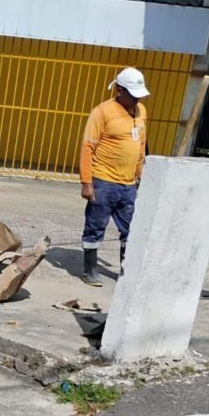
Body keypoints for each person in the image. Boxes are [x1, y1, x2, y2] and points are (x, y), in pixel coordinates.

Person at [78, 67, 149, 286]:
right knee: (95, 226)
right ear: (120, 90)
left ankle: (126, 273)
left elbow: (141, 145)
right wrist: (87, 182)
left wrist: (141, 174)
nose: (137, 99)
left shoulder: (141, 111)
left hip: (129, 185)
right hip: (103, 181)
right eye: (133, 94)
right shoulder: (102, 112)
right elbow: (87, 147)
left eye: (139, 95)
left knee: (131, 229)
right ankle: (89, 271)